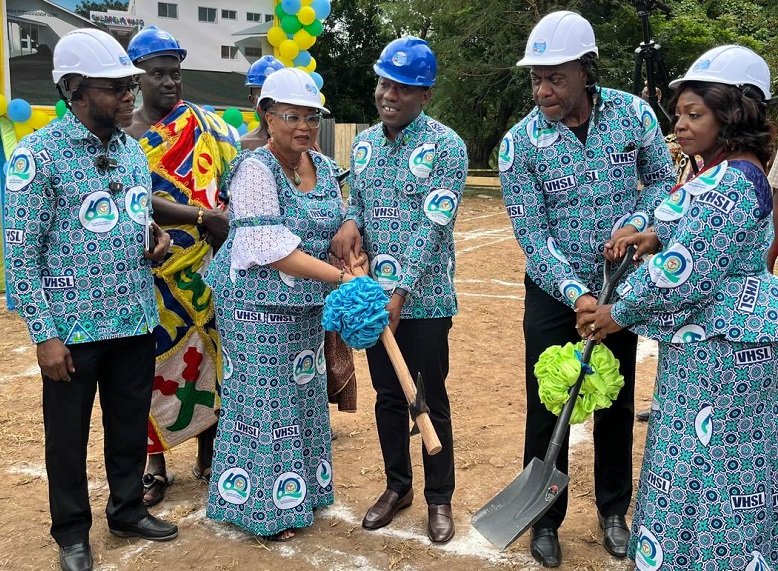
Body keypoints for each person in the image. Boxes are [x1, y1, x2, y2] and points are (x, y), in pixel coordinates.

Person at [579, 44, 778, 571]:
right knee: (699, 462)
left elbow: (687, 267)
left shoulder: (734, 179)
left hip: (723, 349)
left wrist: (617, 312)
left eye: (695, 114)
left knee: (713, 468)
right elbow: (692, 232)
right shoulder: (728, 172)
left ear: (732, 115)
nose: (681, 126)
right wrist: (652, 234)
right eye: (679, 114)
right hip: (711, 344)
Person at [498, 11, 675, 566]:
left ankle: (613, 511)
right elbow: (534, 237)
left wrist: (638, 223)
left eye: (555, 77)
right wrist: (578, 294)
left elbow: (665, 184)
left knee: (614, 401)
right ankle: (544, 521)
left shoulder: (633, 114)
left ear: (585, 70)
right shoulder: (519, 144)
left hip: (622, 290)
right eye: (536, 79)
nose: (543, 90)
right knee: (547, 404)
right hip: (556, 296)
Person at [2, 29, 178, 571]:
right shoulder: (37, 157)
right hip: (71, 331)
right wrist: (44, 334)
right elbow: (19, 253)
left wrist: (155, 240)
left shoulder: (129, 152)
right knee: (67, 438)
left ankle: (126, 509)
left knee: (128, 423)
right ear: (75, 89)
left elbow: (135, 220)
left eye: (129, 86)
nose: (129, 96)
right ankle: (72, 533)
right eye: (115, 88)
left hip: (132, 316)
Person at [204, 67, 362, 541]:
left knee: (301, 396)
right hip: (256, 307)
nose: (304, 127)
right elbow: (272, 249)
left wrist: (350, 246)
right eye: (291, 116)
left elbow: (340, 226)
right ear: (266, 117)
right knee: (264, 403)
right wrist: (342, 281)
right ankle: (262, 509)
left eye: (311, 117)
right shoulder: (256, 169)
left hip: (306, 306)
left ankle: (300, 494)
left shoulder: (325, 167)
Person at [330, 37, 468, 545]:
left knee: (428, 395)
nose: (390, 93)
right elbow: (359, 204)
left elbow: (432, 226)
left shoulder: (447, 146)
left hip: (424, 299)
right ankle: (397, 487)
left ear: (425, 95)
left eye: (404, 87)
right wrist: (349, 222)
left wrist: (401, 292)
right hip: (373, 299)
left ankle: (439, 498)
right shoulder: (363, 143)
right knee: (389, 396)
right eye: (385, 82)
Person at [125, 25, 240, 505]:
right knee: (150, 365)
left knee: (211, 358)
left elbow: (234, 176)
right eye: (158, 74)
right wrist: (200, 214)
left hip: (204, 264)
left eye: (176, 73)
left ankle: (209, 453)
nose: (170, 82)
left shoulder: (206, 126)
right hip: (147, 267)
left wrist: (224, 218)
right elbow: (131, 199)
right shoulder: (123, 135)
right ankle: (154, 464)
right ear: (138, 78)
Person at [241, 55, 285, 151]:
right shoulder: (241, 146)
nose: (272, 104)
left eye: (278, 96)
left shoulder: (301, 144)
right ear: (252, 101)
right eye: (265, 98)